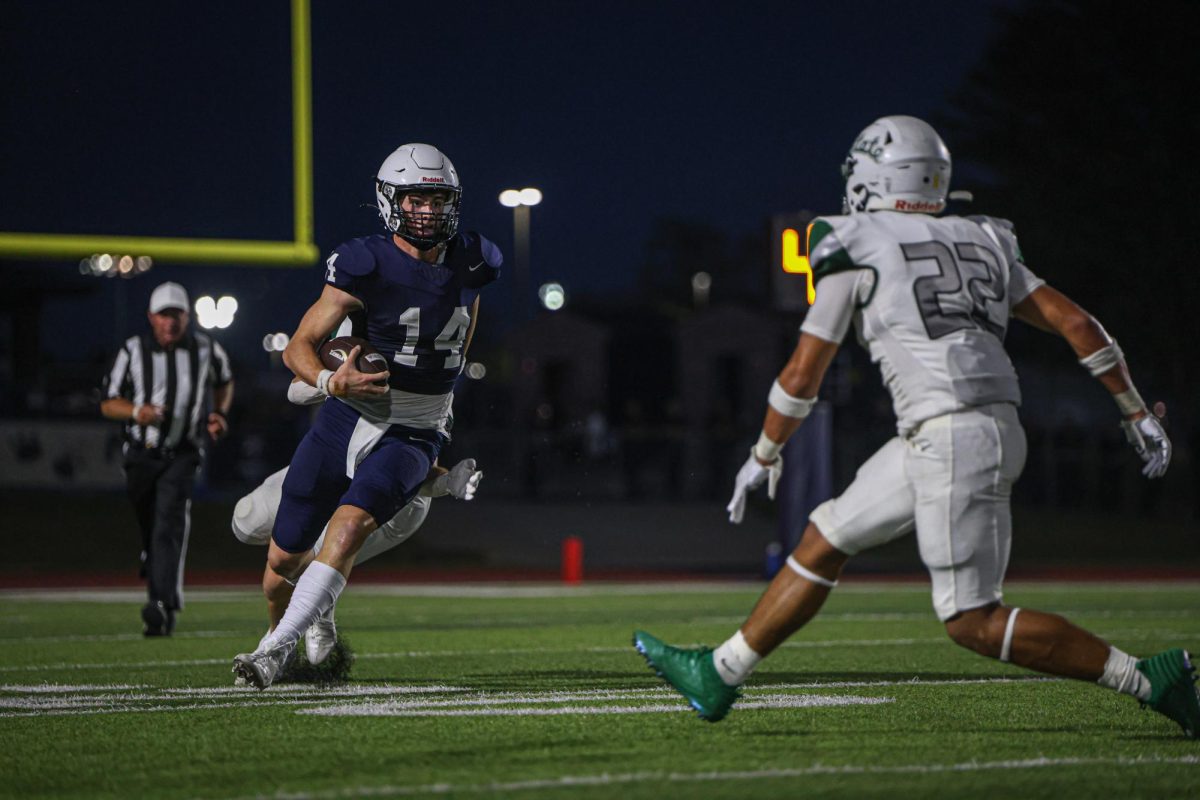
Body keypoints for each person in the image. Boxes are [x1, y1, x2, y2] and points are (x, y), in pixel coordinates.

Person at [633, 116, 1198, 738]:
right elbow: (1081, 326)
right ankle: (720, 672)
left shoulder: (854, 239)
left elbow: (802, 373)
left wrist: (765, 451)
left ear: (875, 175)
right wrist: (1136, 410)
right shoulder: (985, 237)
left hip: (952, 436)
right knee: (826, 534)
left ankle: (1149, 679)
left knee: (972, 621)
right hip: (969, 427)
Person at [232, 143, 501, 689]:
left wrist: (442, 397)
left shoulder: (475, 260)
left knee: (350, 526)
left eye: (439, 199)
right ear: (389, 201)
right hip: (348, 416)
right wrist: (331, 381)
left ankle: (273, 649)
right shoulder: (364, 261)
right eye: (416, 199)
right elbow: (298, 346)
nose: (428, 211)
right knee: (281, 563)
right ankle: (313, 616)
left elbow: (464, 323)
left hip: (415, 429)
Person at [231, 376, 483, 667]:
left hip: (395, 500)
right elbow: (296, 390)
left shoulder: (429, 378)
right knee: (248, 520)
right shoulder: (362, 346)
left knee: (293, 573)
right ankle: (310, 612)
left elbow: (416, 471)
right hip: (333, 466)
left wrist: (447, 483)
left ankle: (283, 640)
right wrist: (332, 379)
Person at [100, 281, 234, 636]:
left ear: (187, 317)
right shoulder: (132, 350)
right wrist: (136, 411)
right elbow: (108, 402)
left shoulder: (205, 348)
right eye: (164, 315)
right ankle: (153, 566)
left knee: (168, 526)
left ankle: (161, 604)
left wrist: (219, 413)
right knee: (150, 525)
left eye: (177, 315)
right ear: (151, 317)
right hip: (141, 455)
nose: (171, 322)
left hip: (183, 453)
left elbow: (225, 380)